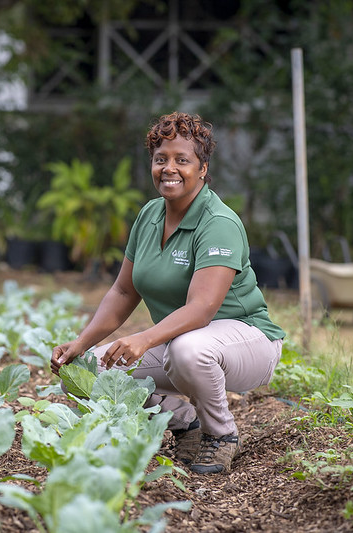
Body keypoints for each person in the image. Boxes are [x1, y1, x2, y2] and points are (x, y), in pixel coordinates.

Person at [51, 112, 285, 475]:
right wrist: (80, 344)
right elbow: (124, 291)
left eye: (182, 160)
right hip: (183, 346)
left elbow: (202, 310)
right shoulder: (149, 216)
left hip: (246, 343)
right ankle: (184, 423)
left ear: (203, 169)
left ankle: (221, 436)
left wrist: (143, 338)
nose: (169, 168)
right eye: (161, 159)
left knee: (188, 349)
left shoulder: (218, 223)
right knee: (88, 373)